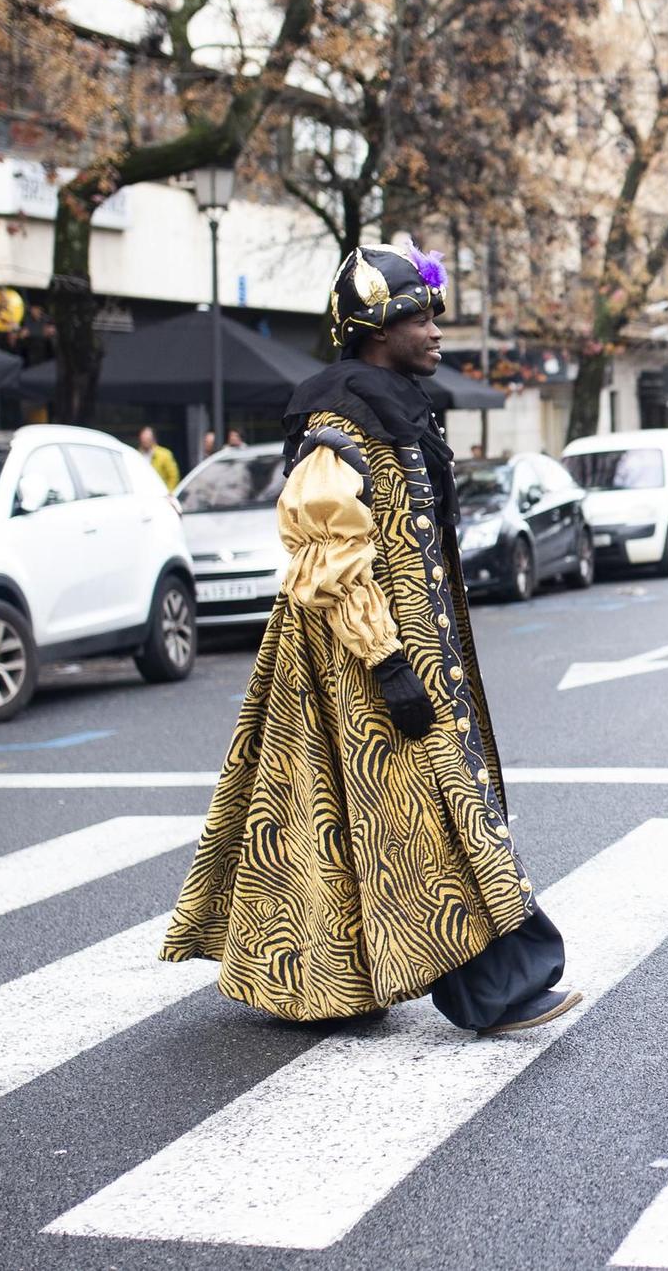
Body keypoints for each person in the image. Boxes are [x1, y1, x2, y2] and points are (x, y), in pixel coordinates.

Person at [161, 241, 578, 1036]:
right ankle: (493, 987)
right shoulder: (338, 424)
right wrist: (387, 663)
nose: (436, 331)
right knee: (421, 812)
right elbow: (329, 554)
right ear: (376, 331)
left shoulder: (394, 407)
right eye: (419, 316)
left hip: (405, 650)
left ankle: (327, 981)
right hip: (358, 659)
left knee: (349, 818)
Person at [136, 426, 179, 493]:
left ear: (153, 439)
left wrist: (169, 493)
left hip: (161, 493)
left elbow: (173, 476)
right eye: (143, 439)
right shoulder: (137, 454)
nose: (145, 442)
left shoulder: (164, 454)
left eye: (147, 439)